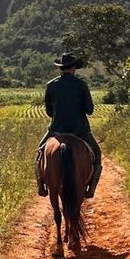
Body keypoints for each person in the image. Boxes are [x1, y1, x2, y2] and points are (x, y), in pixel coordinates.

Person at [35, 52, 102, 199]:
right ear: (73, 68)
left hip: (57, 129)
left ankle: (41, 186)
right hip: (80, 130)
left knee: (39, 152)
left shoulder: (51, 85)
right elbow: (89, 110)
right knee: (97, 154)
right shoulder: (81, 85)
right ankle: (91, 189)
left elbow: (49, 112)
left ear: (61, 67)